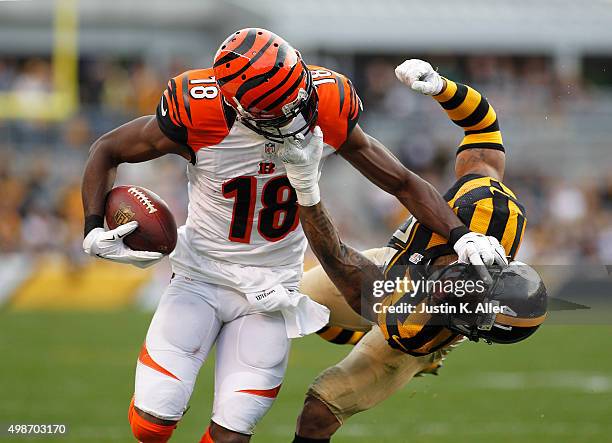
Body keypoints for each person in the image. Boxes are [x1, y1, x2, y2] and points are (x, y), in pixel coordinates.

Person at [81, 27, 505, 443]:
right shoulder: (198, 110)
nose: (297, 114)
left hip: (273, 288)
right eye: (278, 110)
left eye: (297, 96)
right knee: (152, 423)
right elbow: (107, 149)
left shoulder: (328, 99)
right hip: (200, 276)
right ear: (240, 107)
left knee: (233, 431)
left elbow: (401, 181)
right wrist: (93, 226)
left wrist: (459, 235)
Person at [276, 59, 546, 443]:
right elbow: (483, 125)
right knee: (292, 301)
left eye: (463, 316)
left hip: (395, 310)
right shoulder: (488, 207)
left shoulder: (423, 327)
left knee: (319, 411)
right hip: (393, 265)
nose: (451, 300)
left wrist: (305, 187)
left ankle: (417, 362)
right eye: (468, 299)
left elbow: (338, 260)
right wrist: (442, 88)